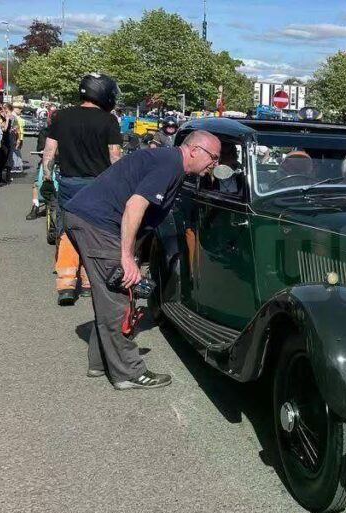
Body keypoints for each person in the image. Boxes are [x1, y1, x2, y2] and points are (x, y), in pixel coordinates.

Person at [64, 130, 221, 389]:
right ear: (194, 150)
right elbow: (135, 206)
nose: (214, 164)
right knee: (119, 298)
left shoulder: (169, 162)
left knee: (109, 294)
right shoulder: (170, 164)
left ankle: (100, 362)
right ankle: (128, 373)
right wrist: (127, 257)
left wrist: (132, 253)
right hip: (98, 225)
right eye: (213, 157)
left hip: (92, 221)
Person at [42, 73, 124, 305]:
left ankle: (66, 284)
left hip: (69, 182)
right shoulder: (109, 120)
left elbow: (49, 152)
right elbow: (115, 156)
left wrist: (47, 179)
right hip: (98, 185)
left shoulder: (61, 116)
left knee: (67, 231)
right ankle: (89, 282)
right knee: (94, 232)